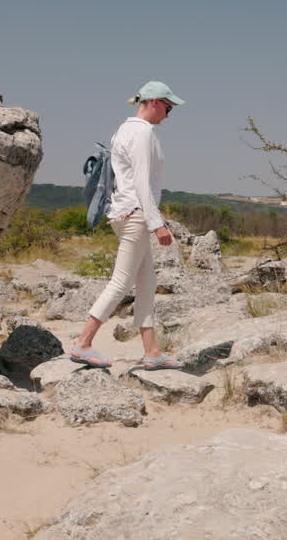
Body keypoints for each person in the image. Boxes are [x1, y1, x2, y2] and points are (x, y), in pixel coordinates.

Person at [69, 81, 185, 370]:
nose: (169, 115)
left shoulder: (124, 129)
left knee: (147, 283)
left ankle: (152, 351)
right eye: (168, 108)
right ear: (155, 102)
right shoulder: (143, 133)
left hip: (125, 214)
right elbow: (143, 183)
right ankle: (82, 343)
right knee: (121, 282)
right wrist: (157, 223)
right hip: (136, 215)